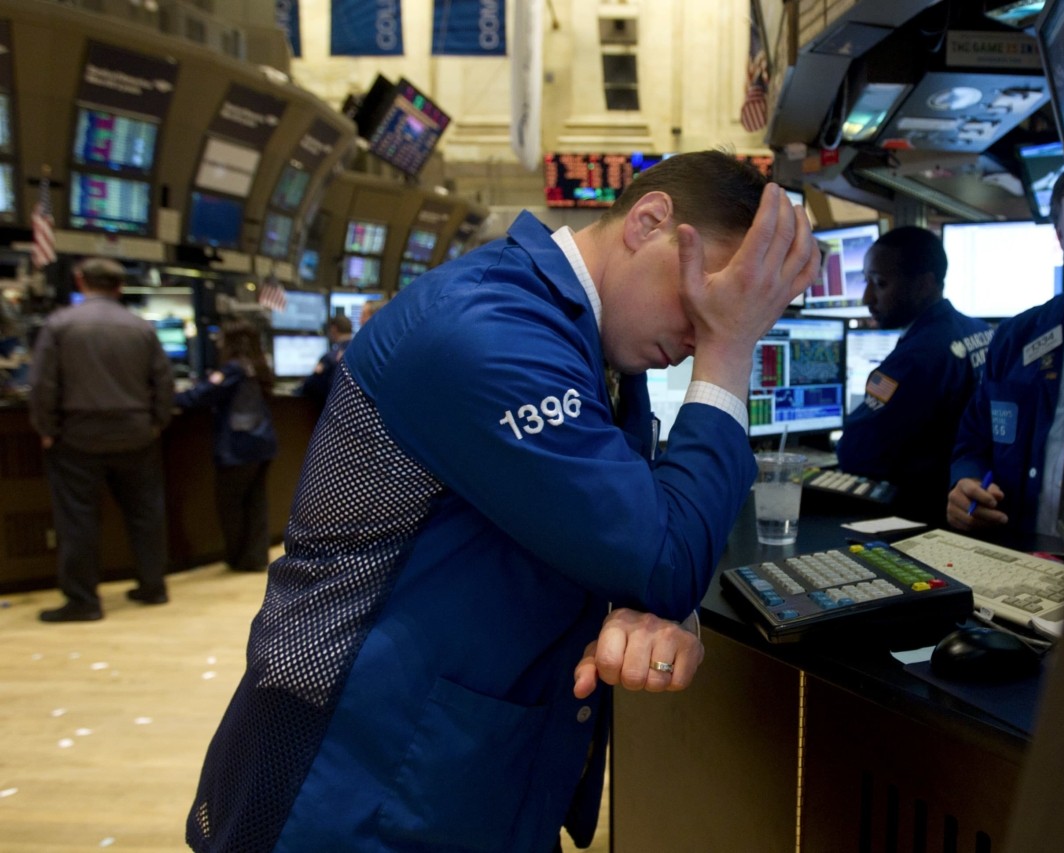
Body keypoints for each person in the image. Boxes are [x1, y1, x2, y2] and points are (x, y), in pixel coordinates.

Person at [186, 151, 818, 853]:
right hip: (351, 775)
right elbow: (662, 556)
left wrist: (659, 611)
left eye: (729, 314)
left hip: (468, 767)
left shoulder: (586, 333)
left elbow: (624, 532)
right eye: (704, 301)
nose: (703, 333)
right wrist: (730, 351)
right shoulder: (485, 328)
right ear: (648, 221)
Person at [947, 171, 1064, 546]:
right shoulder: (1016, 337)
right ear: (1060, 236)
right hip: (1014, 552)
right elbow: (974, 440)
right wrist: (966, 483)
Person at [28, 257, 175, 621]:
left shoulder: (60, 324)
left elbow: (43, 384)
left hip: (78, 436)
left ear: (80, 281)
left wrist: (47, 429)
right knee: (146, 515)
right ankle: (153, 586)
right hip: (136, 435)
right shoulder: (141, 328)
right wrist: (156, 423)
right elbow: (164, 382)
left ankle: (83, 601)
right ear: (120, 287)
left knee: (77, 521)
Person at [835, 226, 991, 524]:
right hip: (964, 503)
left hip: (923, 514)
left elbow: (856, 451)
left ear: (924, 285)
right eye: (867, 282)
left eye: (880, 283)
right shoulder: (980, 330)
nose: (867, 297)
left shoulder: (916, 358)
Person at [175, 320, 278, 573]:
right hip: (262, 443)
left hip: (237, 446)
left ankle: (238, 558)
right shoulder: (259, 366)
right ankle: (255, 556)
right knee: (255, 503)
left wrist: (172, 396)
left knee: (231, 505)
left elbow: (199, 396)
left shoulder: (232, 369)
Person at [297, 313, 352, 403]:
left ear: (334, 329)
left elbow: (310, 385)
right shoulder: (359, 353)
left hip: (333, 406)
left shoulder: (329, 358)